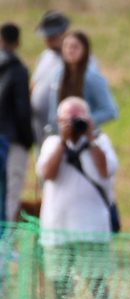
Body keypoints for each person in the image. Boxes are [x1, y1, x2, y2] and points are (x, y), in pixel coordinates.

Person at [36, 96, 117, 299]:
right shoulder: (51, 143)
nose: (74, 124)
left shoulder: (101, 142)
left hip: (91, 230)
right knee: (60, 286)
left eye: (78, 119)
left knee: (97, 286)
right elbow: (47, 173)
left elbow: (106, 171)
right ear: (59, 122)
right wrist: (63, 139)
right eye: (67, 120)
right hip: (57, 231)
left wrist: (89, 139)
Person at [45, 30, 117, 136]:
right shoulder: (58, 75)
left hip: (87, 138)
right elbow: (53, 111)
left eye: (75, 47)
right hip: (60, 136)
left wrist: (83, 122)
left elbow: (110, 110)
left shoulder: (92, 77)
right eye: (66, 46)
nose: (70, 50)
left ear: (85, 50)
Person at [1, 23, 32, 221]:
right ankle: (5, 244)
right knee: (11, 191)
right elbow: (22, 107)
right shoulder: (18, 70)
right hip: (12, 140)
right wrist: (28, 138)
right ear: (18, 42)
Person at [30, 10, 72, 146]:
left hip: (63, 129)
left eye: (53, 36)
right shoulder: (45, 56)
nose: (48, 40)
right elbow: (34, 84)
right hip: (39, 126)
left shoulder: (74, 59)